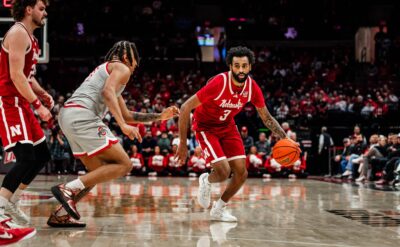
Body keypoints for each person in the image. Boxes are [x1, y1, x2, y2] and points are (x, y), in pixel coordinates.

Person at [47, 41, 179, 227]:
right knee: (124, 164)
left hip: (68, 115)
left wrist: (159, 116)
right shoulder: (121, 68)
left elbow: (127, 114)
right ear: (126, 58)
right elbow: (107, 93)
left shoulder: (108, 72)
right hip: (82, 115)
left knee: (95, 173)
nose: (134, 68)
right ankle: (67, 188)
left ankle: (60, 214)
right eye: (135, 63)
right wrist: (123, 126)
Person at [176, 46, 296, 222]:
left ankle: (219, 209)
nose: (241, 70)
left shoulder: (252, 87)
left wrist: (287, 139)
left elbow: (267, 118)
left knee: (241, 173)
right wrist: (183, 142)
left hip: (227, 126)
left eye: (244, 66)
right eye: (237, 65)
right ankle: (206, 181)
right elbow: (185, 107)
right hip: (205, 127)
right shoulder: (219, 83)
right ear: (230, 67)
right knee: (223, 172)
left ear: (250, 67)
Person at [0, 0, 53, 243]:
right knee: (26, 156)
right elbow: (15, 76)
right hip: (9, 101)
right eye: (41, 8)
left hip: (21, 101)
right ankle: (1, 208)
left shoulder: (29, 38)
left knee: (42, 154)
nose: (45, 13)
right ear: (29, 9)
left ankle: (12, 201)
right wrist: (38, 105)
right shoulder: (18, 33)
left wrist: (42, 94)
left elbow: (28, 78)